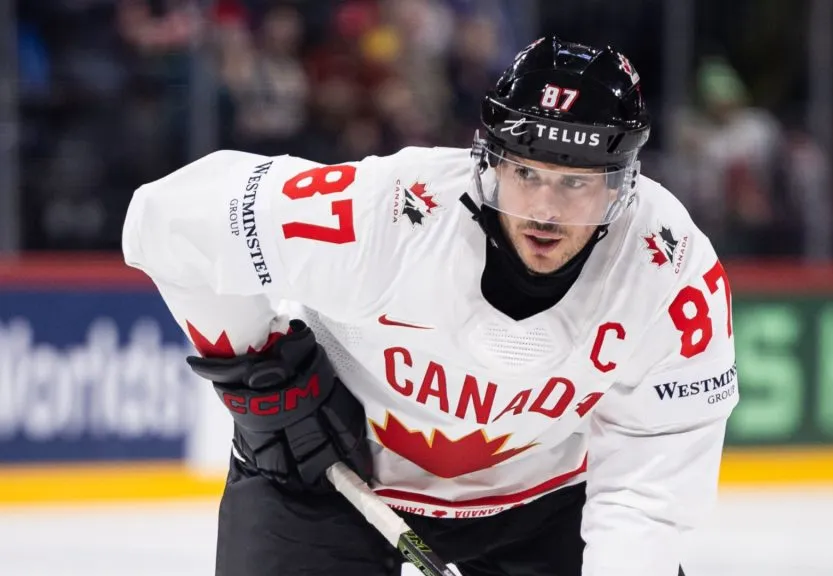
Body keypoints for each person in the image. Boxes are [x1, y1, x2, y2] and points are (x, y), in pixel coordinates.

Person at [122, 36, 738, 576]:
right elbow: (169, 218)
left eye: (575, 183)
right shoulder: (391, 214)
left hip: (542, 504)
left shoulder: (669, 272)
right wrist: (257, 372)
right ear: (490, 161)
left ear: (620, 183)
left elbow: (645, 494)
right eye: (527, 173)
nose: (547, 210)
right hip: (326, 470)